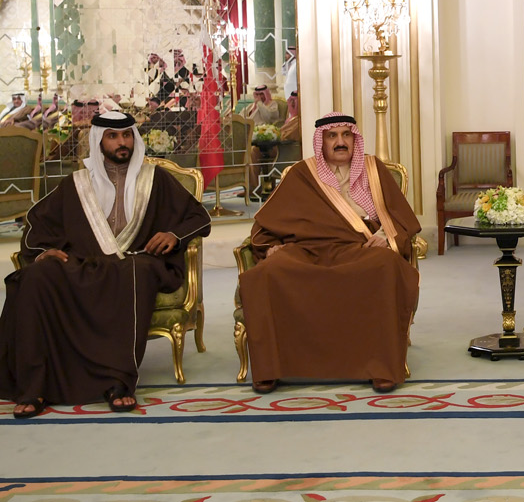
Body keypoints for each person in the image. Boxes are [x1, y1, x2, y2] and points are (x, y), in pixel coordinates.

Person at [0, 112, 211, 418]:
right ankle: (35, 386)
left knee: (135, 273)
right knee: (36, 276)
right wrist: (44, 251)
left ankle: (117, 382)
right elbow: (38, 225)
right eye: (112, 136)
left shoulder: (155, 179)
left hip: (137, 260)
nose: (121, 142)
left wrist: (173, 235)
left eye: (126, 135)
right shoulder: (77, 183)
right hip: (85, 263)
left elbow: (198, 216)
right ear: (99, 141)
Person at [237, 113, 421, 394]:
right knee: (268, 272)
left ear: (354, 139)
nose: (340, 142)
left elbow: (401, 216)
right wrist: (272, 245)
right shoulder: (302, 173)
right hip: (307, 247)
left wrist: (386, 238)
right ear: (320, 142)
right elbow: (271, 220)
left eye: (346, 135)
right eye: (332, 136)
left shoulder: (374, 169)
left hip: (358, 247)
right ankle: (270, 367)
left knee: (385, 266)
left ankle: (380, 366)